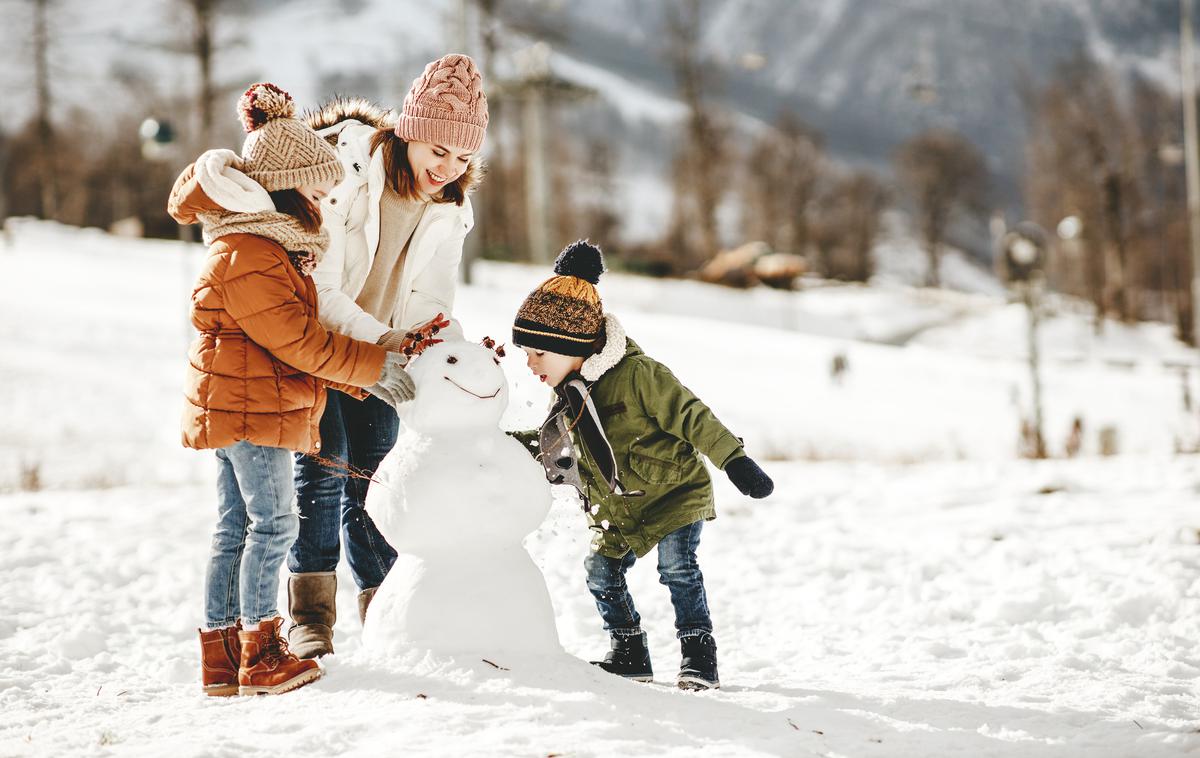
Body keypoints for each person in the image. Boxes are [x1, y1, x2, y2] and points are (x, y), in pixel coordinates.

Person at [168, 82, 414, 696]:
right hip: (253, 410)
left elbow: (294, 342)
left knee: (235, 528)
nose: (323, 205)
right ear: (283, 187)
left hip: (245, 405)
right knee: (273, 524)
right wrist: (372, 366)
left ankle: (223, 662)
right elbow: (298, 339)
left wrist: (355, 375)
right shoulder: (251, 251)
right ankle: (260, 652)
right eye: (315, 192)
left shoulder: (262, 247)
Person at [286, 53, 489, 658]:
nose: (446, 168)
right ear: (410, 133)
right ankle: (311, 616)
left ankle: (386, 605)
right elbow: (319, 285)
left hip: (383, 355)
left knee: (375, 478)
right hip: (320, 343)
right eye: (437, 150)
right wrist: (379, 342)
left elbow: (433, 299)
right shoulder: (347, 171)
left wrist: (452, 354)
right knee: (325, 468)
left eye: (461, 157)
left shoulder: (450, 207)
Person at [510, 241, 775, 691]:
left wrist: (735, 461)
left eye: (539, 352)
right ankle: (630, 653)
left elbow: (692, 415)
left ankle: (698, 657)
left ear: (571, 344)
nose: (529, 362)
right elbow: (554, 449)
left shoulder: (638, 375)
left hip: (673, 494)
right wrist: (496, 449)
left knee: (677, 569)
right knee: (600, 571)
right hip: (619, 510)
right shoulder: (568, 394)